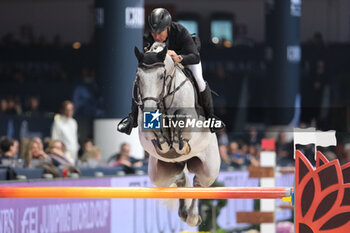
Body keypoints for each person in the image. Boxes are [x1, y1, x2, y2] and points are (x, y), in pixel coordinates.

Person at [117, 8, 225, 135]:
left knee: (199, 81)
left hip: (185, 58)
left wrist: (179, 58)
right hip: (162, 64)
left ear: (168, 27)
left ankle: (210, 116)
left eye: (159, 32)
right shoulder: (148, 37)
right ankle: (132, 119)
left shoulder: (181, 31)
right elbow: (147, 60)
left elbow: (195, 57)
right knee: (140, 81)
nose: (156, 37)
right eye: (153, 33)